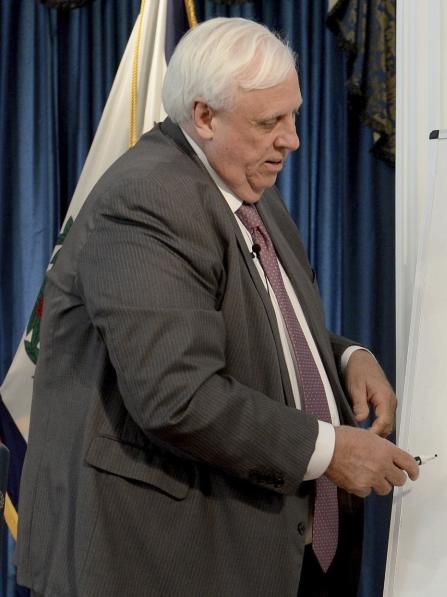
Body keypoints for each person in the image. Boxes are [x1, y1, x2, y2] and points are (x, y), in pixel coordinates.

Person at [15, 17, 418, 597]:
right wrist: (330, 451)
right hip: (162, 561)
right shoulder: (147, 200)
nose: (292, 139)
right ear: (203, 117)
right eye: (269, 122)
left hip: (271, 549)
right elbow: (177, 394)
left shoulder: (246, 180)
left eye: (294, 115)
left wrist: (346, 356)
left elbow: (254, 323)